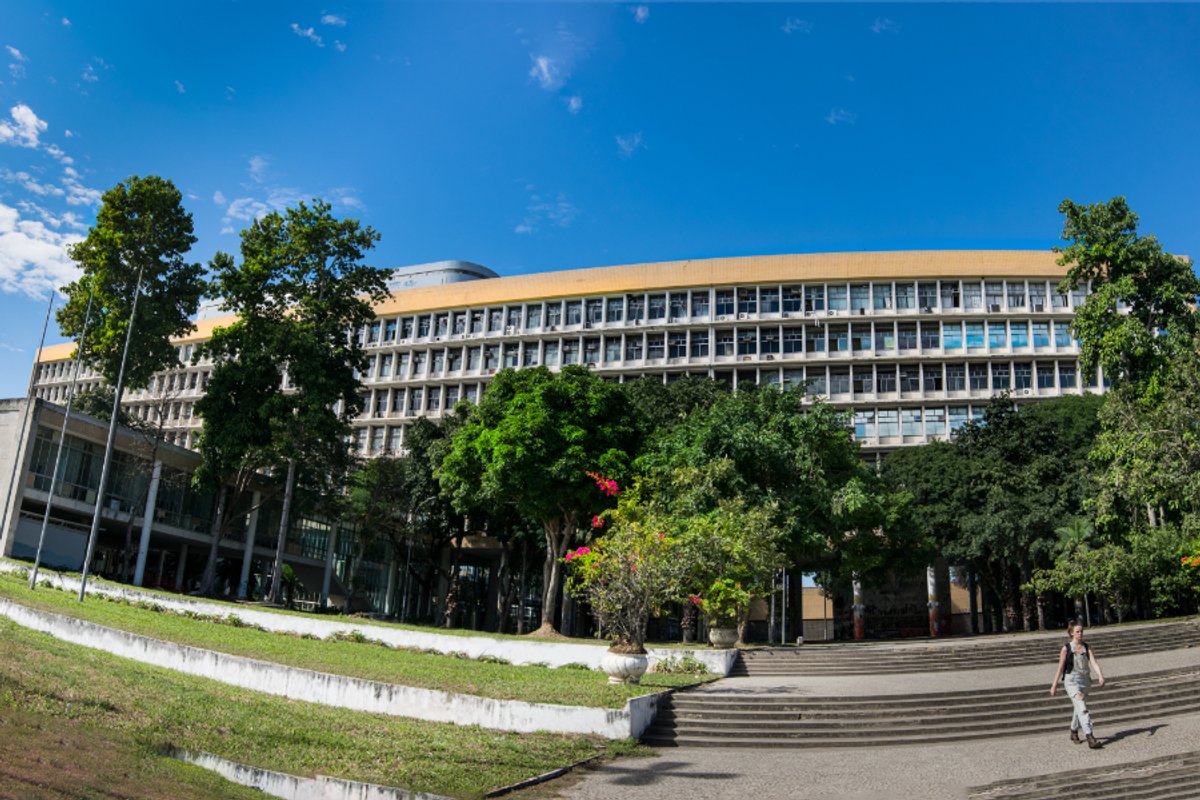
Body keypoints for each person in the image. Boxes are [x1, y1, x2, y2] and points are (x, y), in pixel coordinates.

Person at [1050, 622, 1106, 748]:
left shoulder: (1087, 647)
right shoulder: (1066, 648)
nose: (1080, 634)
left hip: (1085, 680)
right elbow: (1060, 667)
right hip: (1071, 681)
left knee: (1078, 707)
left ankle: (1073, 730)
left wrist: (1100, 675)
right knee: (1082, 707)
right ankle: (1090, 736)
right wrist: (1054, 685)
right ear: (1071, 633)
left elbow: (1094, 662)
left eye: (1081, 631)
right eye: (1077, 631)